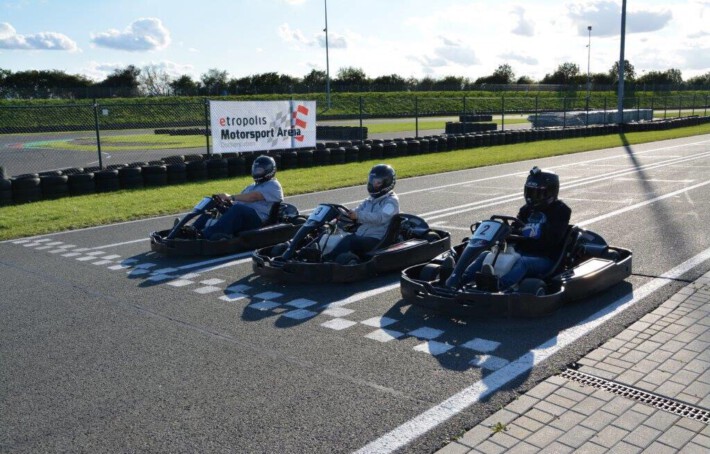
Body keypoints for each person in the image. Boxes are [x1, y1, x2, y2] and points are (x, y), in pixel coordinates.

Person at [460, 166, 571, 290]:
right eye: (530, 192)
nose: (532, 197)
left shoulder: (561, 211)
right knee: (486, 255)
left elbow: (555, 238)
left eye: (537, 193)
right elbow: (514, 229)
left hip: (546, 258)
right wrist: (503, 233)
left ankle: (499, 285)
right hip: (520, 252)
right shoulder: (526, 210)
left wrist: (536, 232)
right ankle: (461, 279)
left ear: (550, 192)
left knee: (523, 263)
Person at [191, 155, 283, 239]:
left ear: (269, 170)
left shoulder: (273, 185)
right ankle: (191, 229)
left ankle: (206, 234)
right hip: (243, 216)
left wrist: (231, 197)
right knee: (215, 208)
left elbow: (253, 197)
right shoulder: (251, 186)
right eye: (256, 169)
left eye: (260, 170)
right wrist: (225, 203)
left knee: (238, 209)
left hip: (258, 220)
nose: (257, 172)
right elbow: (239, 201)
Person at [325, 164, 399, 262]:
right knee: (334, 234)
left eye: (377, 182)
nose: (373, 184)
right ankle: (317, 253)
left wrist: (358, 215)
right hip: (362, 234)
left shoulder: (391, 201)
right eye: (372, 181)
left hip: (377, 239)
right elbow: (356, 211)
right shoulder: (370, 200)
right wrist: (342, 214)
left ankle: (329, 261)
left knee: (349, 240)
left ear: (387, 183)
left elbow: (380, 218)